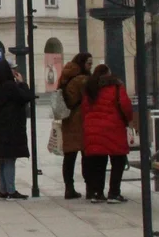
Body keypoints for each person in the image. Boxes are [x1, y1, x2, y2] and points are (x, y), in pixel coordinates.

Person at [81, 64, 134, 203]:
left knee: (98, 162)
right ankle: (114, 193)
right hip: (113, 127)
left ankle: (98, 193)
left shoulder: (90, 88)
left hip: (93, 128)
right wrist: (128, 120)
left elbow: (84, 110)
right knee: (118, 160)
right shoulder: (116, 87)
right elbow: (126, 107)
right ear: (108, 74)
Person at [0, 59, 34, 200]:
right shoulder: (10, 87)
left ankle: (3, 189)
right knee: (10, 159)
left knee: (3, 160)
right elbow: (26, 97)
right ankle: (11, 190)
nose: (15, 71)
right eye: (12, 69)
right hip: (11, 130)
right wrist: (23, 83)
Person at [57, 52, 93, 200]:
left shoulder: (65, 77)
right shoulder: (83, 80)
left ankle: (69, 188)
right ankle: (90, 187)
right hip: (82, 121)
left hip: (68, 121)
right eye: (89, 63)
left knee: (69, 157)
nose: (91, 66)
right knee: (87, 157)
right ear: (82, 63)